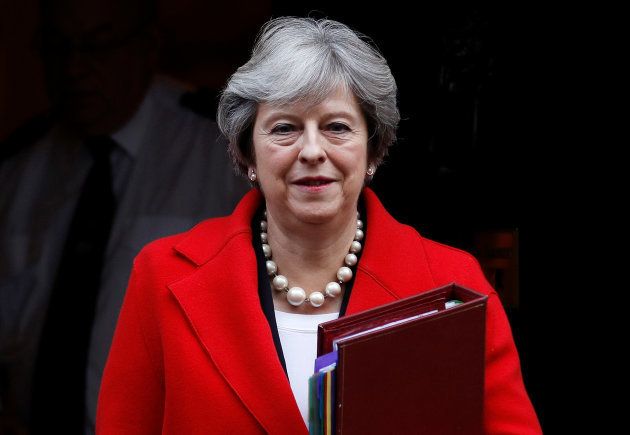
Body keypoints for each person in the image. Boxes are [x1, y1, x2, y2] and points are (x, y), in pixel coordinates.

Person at [96, 17, 542, 434]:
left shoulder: (453, 284)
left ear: (375, 150)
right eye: (285, 128)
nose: (312, 150)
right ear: (248, 153)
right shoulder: (162, 275)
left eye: (336, 127)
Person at [0, 0, 248, 433]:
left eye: (98, 45)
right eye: (59, 46)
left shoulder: (225, 154)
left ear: (147, 46)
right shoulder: (18, 170)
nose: (75, 67)